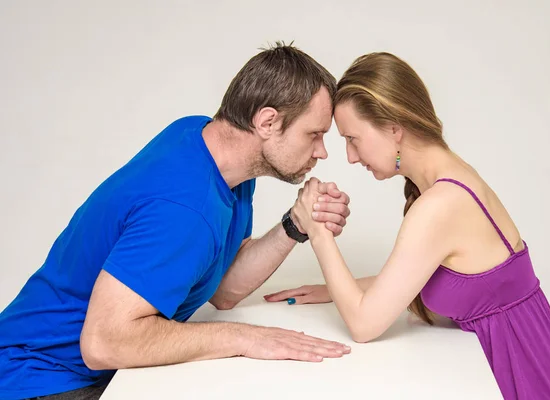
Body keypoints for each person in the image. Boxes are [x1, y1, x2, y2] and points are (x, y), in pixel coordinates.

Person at [0, 43, 353, 400]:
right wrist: (245, 337)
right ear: (267, 122)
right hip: (40, 379)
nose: (322, 151)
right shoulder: (184, 208)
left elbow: (223, 289)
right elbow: (103, 342)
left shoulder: (206, 144)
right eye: (314, 134)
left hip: (85, 370)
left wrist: (296, 224)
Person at [265, 52, 550, 399]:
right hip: (531, 368)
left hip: (528, 381)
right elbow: (446, 277)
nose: (351, 156)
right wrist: (338, 288)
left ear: (393, 127)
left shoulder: (440, 205)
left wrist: (317, 231)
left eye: (352, 139)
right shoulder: (451, 179)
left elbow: (363, 325)